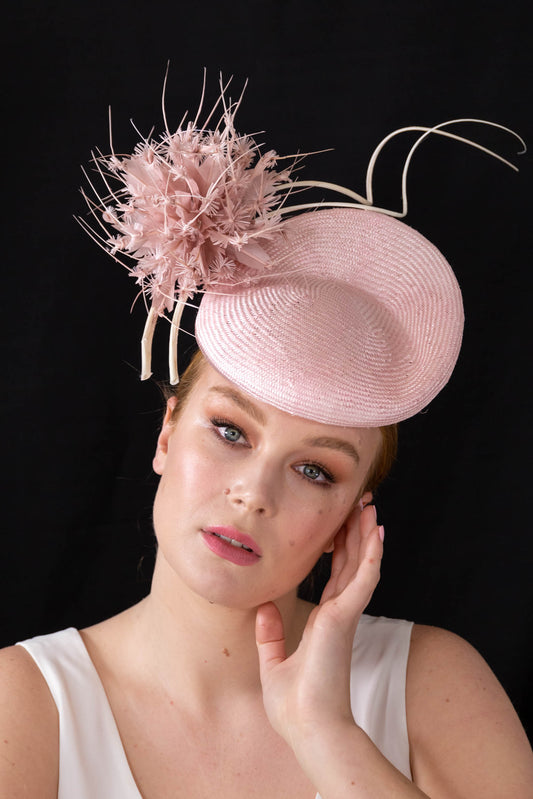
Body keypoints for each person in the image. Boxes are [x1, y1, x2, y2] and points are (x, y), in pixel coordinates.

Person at [1, 81, 532, 798]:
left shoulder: (431, 687)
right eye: (230, 430)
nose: (253, 492)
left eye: (315, 470)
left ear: (352, 516)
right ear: (167, 433)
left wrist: (323, 731)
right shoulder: (25, 703)